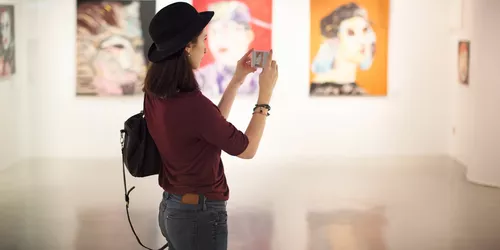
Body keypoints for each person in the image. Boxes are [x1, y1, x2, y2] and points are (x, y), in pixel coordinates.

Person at [142, 2, 278, 250]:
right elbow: (246, 150)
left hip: (172, 208)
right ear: (187, 47)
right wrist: (265, 97)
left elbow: (209, 126)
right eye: (203, 40)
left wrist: (236, 81)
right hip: (199, 215)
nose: (206, 49)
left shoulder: (155, 94)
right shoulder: (193, 105)